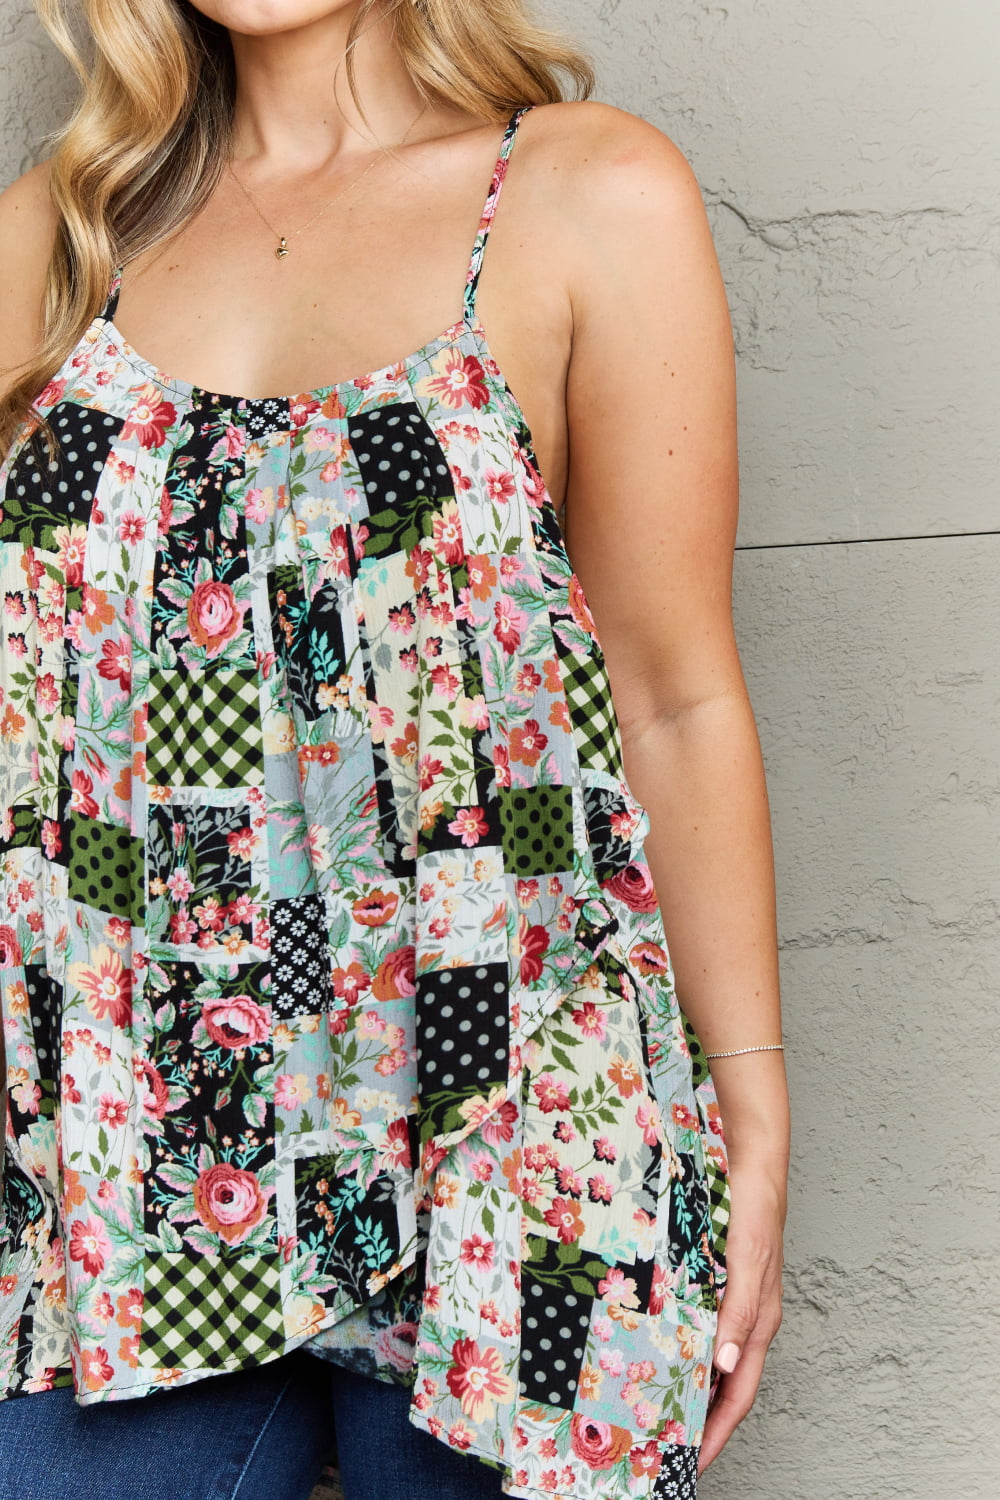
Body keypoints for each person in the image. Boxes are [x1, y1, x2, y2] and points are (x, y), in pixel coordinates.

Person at [0, 1, 791, 1497]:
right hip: (126, 1158)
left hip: (517, 1129)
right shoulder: (53, 241)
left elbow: (672, 691)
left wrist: (748, 1108)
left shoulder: (581, 194)